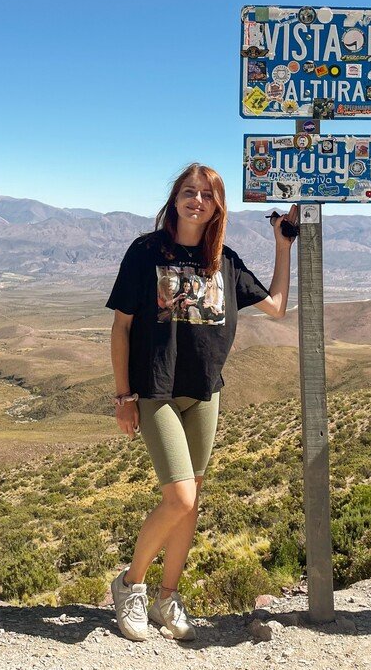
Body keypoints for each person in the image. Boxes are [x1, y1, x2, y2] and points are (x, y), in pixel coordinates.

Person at [106, 163, 297, 641]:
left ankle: (167, 599)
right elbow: (122, 327)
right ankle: (130, 585)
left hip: (206, 392)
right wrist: (124, 396)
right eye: (189, 192)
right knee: (180, 497)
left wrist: (282, 244)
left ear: (218, 207)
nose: (197, 200)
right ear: (175, 199)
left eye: (207, 195)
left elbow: (276, 306)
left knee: (191, 506)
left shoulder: (224, 261)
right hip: (157, 390)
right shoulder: (145, 252)